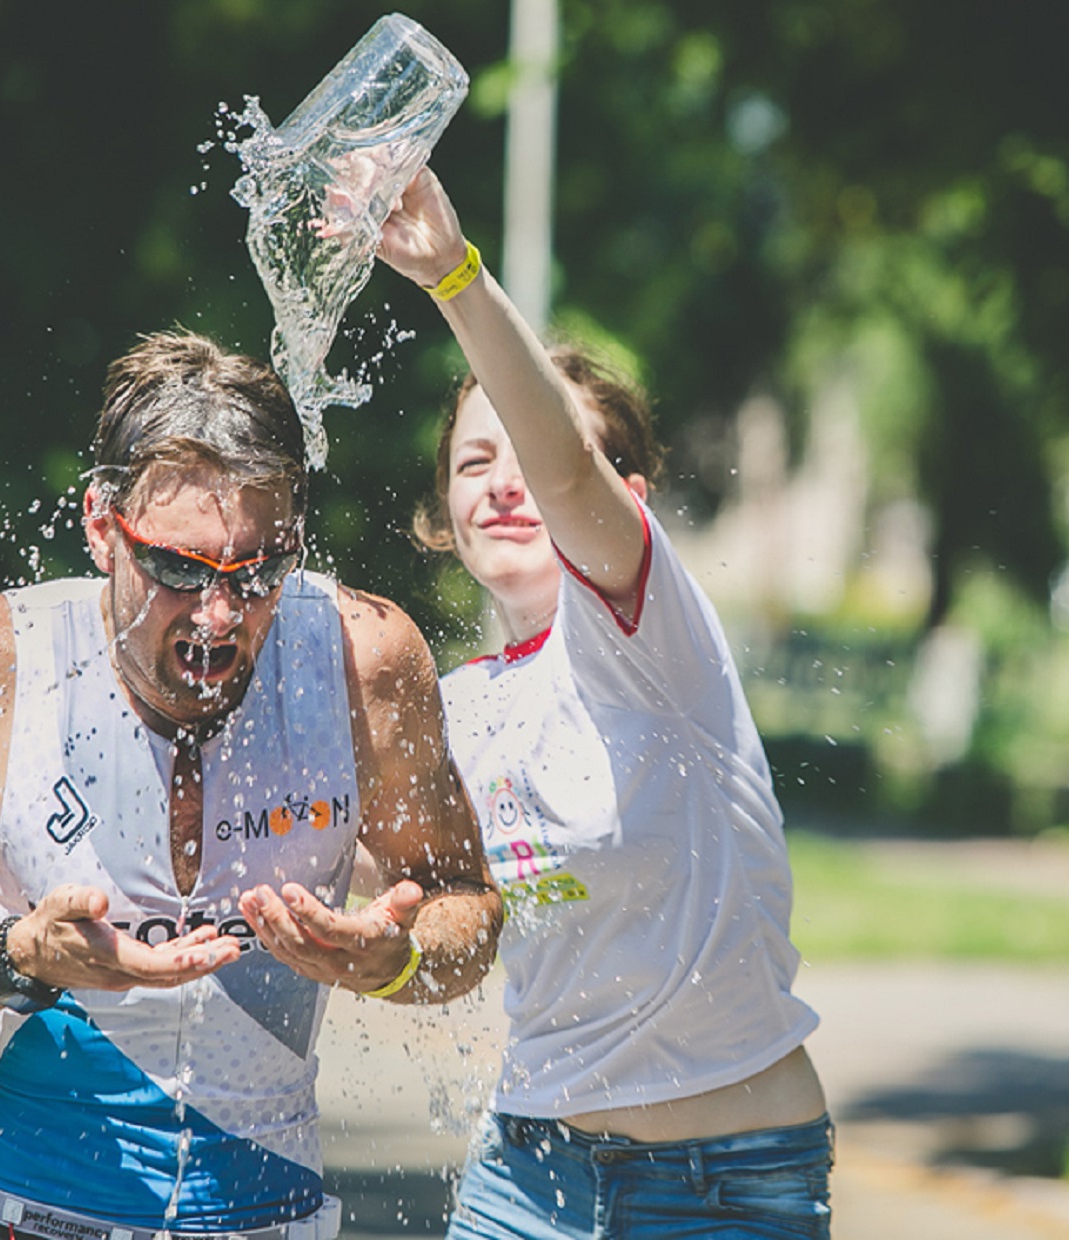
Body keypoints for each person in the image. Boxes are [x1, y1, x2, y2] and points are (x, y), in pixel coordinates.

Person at [0, 329, 503, 1240]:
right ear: (102, 525)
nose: (219, 614)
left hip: (269, 1215)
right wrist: (17, 956)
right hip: (33, 1213)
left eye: (258, 570)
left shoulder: (362, 658)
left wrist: (397, 959)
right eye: (176, 569)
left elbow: (469, 907)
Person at [376, 169, 833, 1238]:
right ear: (441, 510)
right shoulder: (450, 707)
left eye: (527, 455)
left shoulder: (650, 630)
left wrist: (454, 277)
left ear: (630, 498)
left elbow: (571, 475)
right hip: (528, 1172)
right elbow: (386, 878)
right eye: (473, 461)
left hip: (724, 1184)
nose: (504, 482)